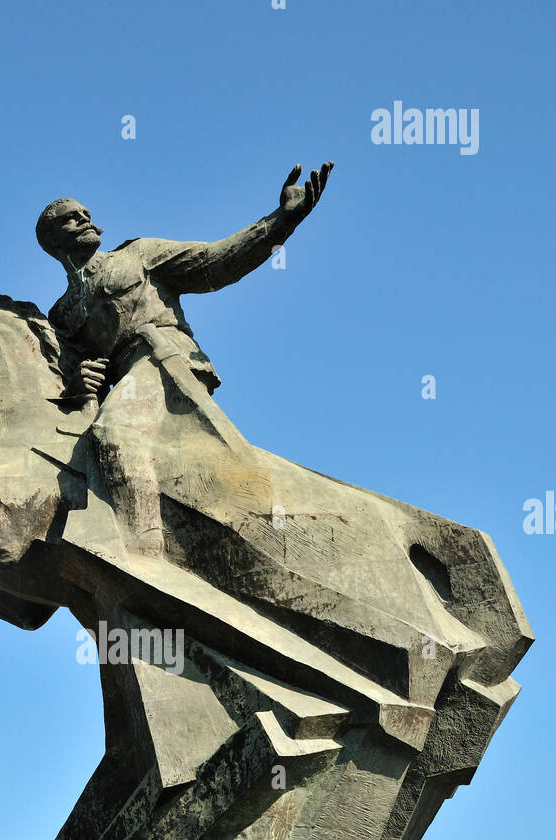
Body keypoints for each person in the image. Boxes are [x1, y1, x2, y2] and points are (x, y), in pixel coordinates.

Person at [35, 163, 333, 554]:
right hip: (125, 384)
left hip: (165, 361)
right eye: (70, 220)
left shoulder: (136, 254)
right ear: (52, 241)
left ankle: (142, 555)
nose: (84, 220)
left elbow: (215, 262)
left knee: (114, 435)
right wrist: (77, 386)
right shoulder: (60, 314)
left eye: (86, 214)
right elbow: (69, 377)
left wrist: (281, 221)